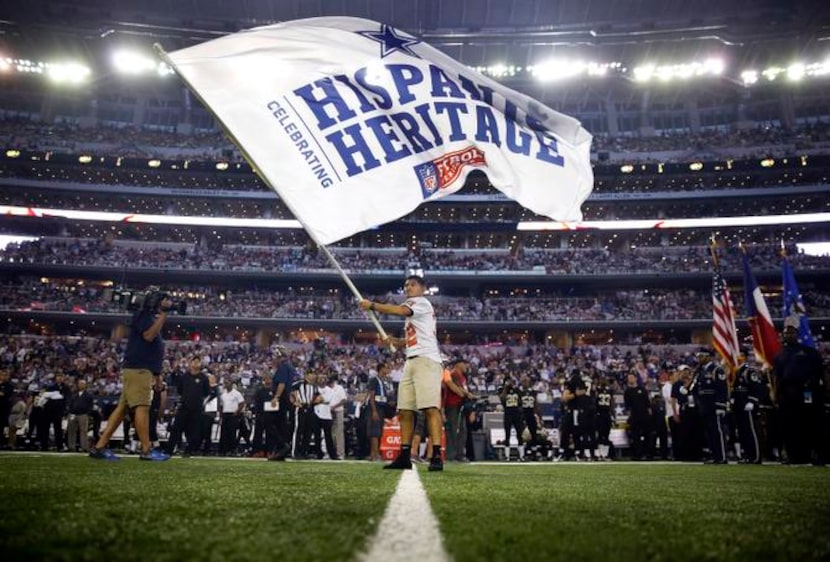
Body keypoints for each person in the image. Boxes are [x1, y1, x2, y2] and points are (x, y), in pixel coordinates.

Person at [359, 275, 445, 472]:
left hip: (427, 360)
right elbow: (412, 339)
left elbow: (400, 310)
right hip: (411, 360)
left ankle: (436, 456)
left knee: (430, 409)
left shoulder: (421, 302)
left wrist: (372, 305)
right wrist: (395, 342)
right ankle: (404, 456)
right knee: (405, 410)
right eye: (406, 285)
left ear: (423, 288)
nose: (408, 288)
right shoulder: (414, 314)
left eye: (412, 284)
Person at [89, 288, 171, 461]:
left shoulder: (146, 317)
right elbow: (148, 336)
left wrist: (156, 375)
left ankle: (99, 446)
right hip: (138, 369)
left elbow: (150, 348)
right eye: (160, 300)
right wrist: (164, 315)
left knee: (122, 410)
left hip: (140, 369)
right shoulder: (143, 316)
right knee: (142, 407)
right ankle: (146, 450)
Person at [773, 316, 825, 465]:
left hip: (808, 393)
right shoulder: (779, 355)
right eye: (786, 333)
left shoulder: (810, 352)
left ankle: (817, 455)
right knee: (789, 426)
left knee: (811, 425)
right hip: (788, 394)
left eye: (792, 333)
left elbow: (821, 372)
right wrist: (775, 395)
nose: (788, 335)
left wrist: (824, 391)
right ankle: (794, 456)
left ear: (797, 334)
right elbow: (777, 377)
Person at [166, 356, 210, 456]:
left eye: (198, 361)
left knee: (194, 431)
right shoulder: (184, 377)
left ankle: (188, 451)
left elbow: (206, 392)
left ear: (201, 364)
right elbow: (180, 390)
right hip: (184, 407)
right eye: (194, 361)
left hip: (196, 409)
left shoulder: (204, 378)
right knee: (176, 428)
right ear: (190, 363)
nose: (195, 363)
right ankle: (169, 450)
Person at [693, 348, 729, 464]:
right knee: (709, 432)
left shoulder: (716, 369)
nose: (699, 359)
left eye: (701, 356)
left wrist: (720, 405)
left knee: (717, 431)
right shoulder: (701, 371)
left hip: (714, 404)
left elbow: (721, 389)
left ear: (708, 356)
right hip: (705, 406)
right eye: (698, 356)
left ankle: (722, 456)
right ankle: (715, 455)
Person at [732, 351, 764, 464]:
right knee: (742, 432)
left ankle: (755, 456)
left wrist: (752, 401)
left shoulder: (748, 371)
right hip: (738, 404)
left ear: (744, 357)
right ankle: (748, 455)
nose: (737, 358)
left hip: (747, 403)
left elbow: (756, 387)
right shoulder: (736, 371)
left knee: (751, 431)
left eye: (739, 356)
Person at [442, 358, 476, 462]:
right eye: (464, 364)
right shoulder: (454, 374)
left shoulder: (462, 377)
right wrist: (467, 394)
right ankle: (451, 456)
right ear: (458, 364)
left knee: (462, 430)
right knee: (452, 430)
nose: (466, 366)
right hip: (452, 405)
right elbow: (457, 388)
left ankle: (459, 454)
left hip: (459, 405)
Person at [267, 346, 296, 461]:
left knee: (269, 423)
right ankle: (280, 451)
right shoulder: (289, 366)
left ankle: (282, 445)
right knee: (281, 425)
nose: (273, 359)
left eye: (274, 356)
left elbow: (282, 383)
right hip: (286, 398)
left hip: (282, 399)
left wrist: (276, 397)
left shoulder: (283, 366)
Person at [366, 361, 394, 462]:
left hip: (382, 407)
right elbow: (372, 395)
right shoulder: (374, 380)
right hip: (376, 407)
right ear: (381, 369)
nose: (388, 370)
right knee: (374, 431)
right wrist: (374, 410)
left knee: (379, 432)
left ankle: (374, 453)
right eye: (386, 368)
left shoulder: (384, 381)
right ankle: (375, 454)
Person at [623, 372, 652, 460]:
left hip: (644, 416)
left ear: (636, 378)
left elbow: (648, 403)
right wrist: (630, 415)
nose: (630, 379)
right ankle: (637, 454)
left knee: (648, 435)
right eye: (629, 378)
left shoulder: (642, 390)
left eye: (632, 377)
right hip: (634, 417)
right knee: (636, 436)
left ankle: (647, 453)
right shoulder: (627, 391)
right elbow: (627, 406)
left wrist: (649, 414)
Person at [314, 373, 339, 460]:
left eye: (324, 378)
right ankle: (318, 454)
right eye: (320, 378)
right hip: (315, 414)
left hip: (326, 414)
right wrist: (319, 400)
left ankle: (332, 454)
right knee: (316, 436)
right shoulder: (314, 389)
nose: (322, 380)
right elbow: (314, 400)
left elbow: (327, 400)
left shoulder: (330, 391)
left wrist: (320, 400)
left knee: (328, 436)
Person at [218, 378, 245, 456]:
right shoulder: (223, 394)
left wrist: (237, 411)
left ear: (231, 384)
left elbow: (242, 403)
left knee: (232, 433)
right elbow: (221, 404)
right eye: (225, 383)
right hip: (225, 414)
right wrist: (221, 414)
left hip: (233, 415)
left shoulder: (236, 393)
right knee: (223, 433)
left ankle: (232, 449)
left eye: (228, 383)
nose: (226, 384)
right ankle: (223, 450)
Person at [67, 379, 94, 452]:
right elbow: (70, 404)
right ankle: (71, 446)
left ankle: (84, 447)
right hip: (73, 414)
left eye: (83, 384)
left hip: (83, 414)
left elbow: (90, 406)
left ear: (85, 386)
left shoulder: (88, 396)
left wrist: (87, 413)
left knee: (83, 431)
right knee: (71, 431)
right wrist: (70, 412)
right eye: (80, 383)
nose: (81, 385)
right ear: (78, 385)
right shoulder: (74, 395)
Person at [327, 375, 348, 459]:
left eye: (330, 382)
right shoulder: (326, 388)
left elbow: (344, 400)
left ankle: (340, 453)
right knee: (329, 433)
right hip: (328, 412)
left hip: (338, 411)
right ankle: (331, 453)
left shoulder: (339, 388)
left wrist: (334, 406)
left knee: (339, 433)